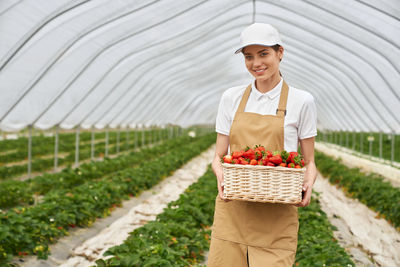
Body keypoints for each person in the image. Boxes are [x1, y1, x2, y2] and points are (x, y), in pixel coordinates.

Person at [207, 23, 318, 266]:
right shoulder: (231, 98)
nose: (255, 63)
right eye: (249, 56)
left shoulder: (302, 101)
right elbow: (219, 156)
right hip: (234, 212)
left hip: (276, 217)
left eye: (263, 54)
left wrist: (308, 180)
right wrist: (221, 176)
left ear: (280, 52)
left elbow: (309, 161)